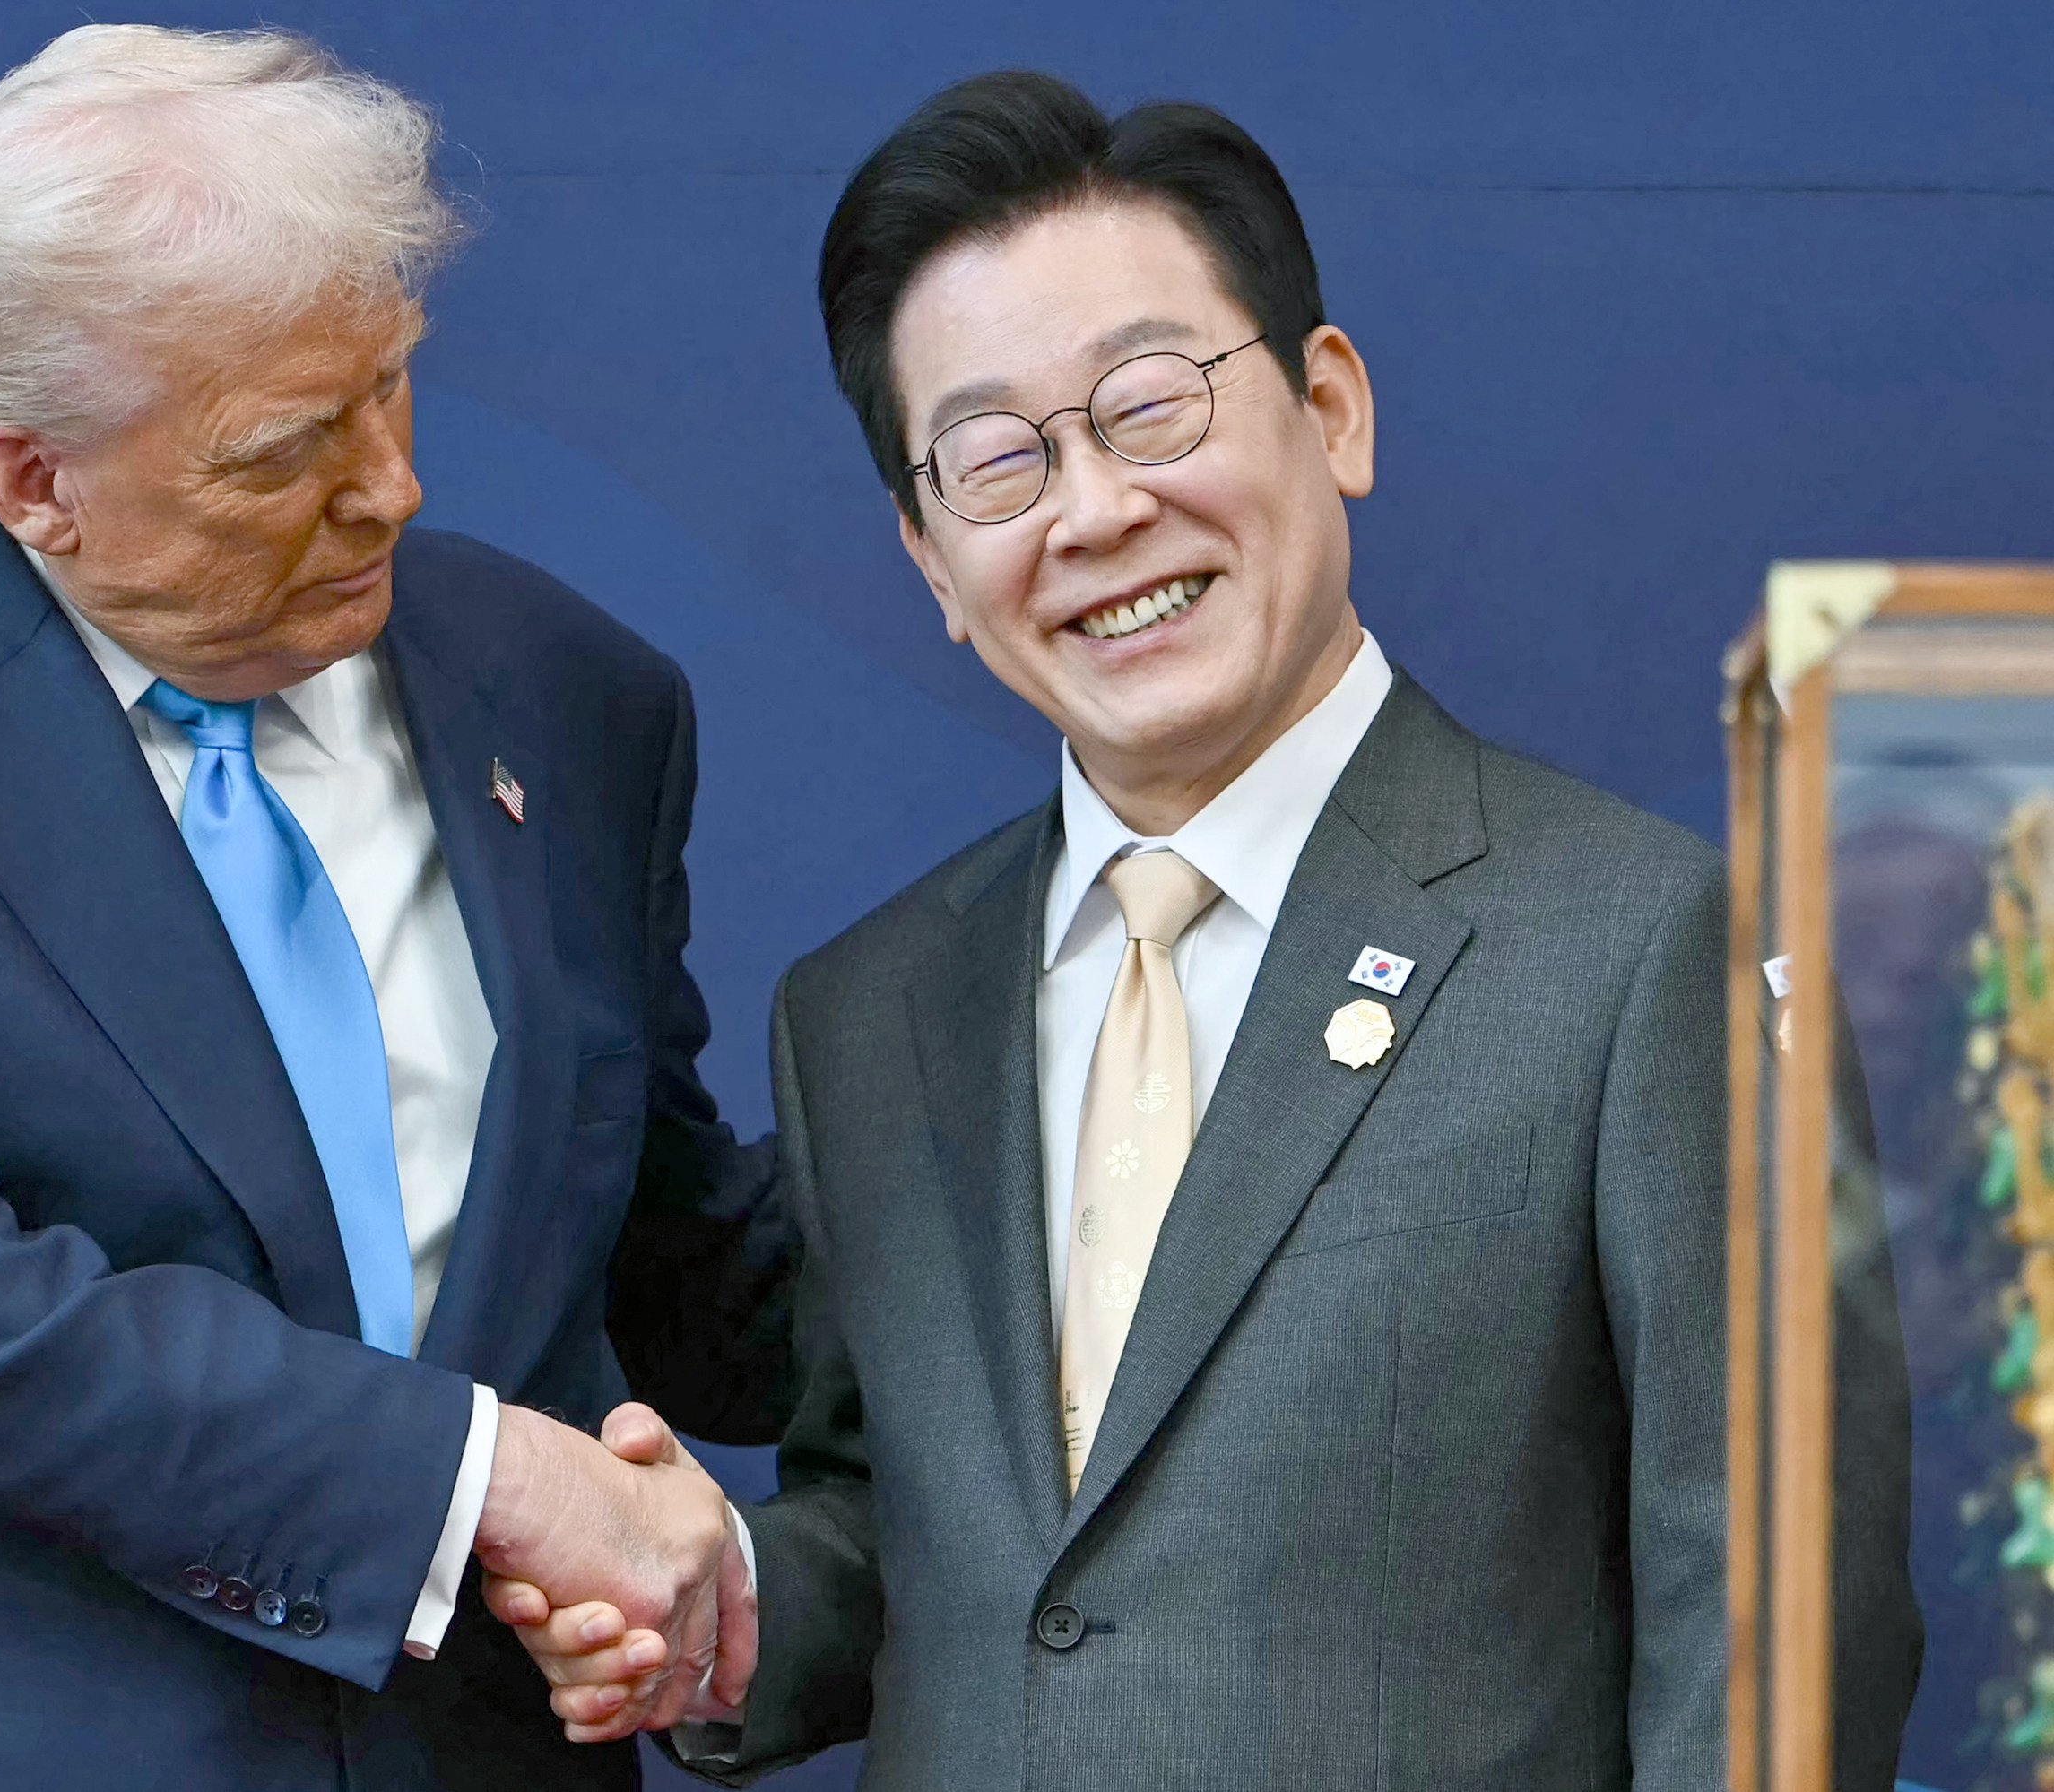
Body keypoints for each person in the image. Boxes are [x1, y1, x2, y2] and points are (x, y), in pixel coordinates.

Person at [488, 74, 1921, 1787]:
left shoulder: (1644, 950)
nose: (1090, 512)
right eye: (995, 459)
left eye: (1150, 406)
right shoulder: (871, 1012)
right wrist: (711, 1611)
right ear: (931, 560)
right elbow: (934, 1540)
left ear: (1333, 409)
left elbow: (1776, 1643)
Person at [0, 25, 784, 1791]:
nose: (393, 486)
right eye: (285, 450)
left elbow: (648, 1252)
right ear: (30, 480)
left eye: (393, 384)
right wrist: (485, 1479)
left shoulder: (563, 688)